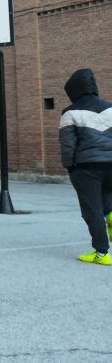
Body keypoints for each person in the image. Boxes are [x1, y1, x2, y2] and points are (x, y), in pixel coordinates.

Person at [59, 68, 112, 266]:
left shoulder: (70, 113)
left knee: (92, 210)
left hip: (86, 168)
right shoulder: (110, 108)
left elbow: (68, 146)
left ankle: (101, 253)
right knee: (107, 198)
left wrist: (70, 167)